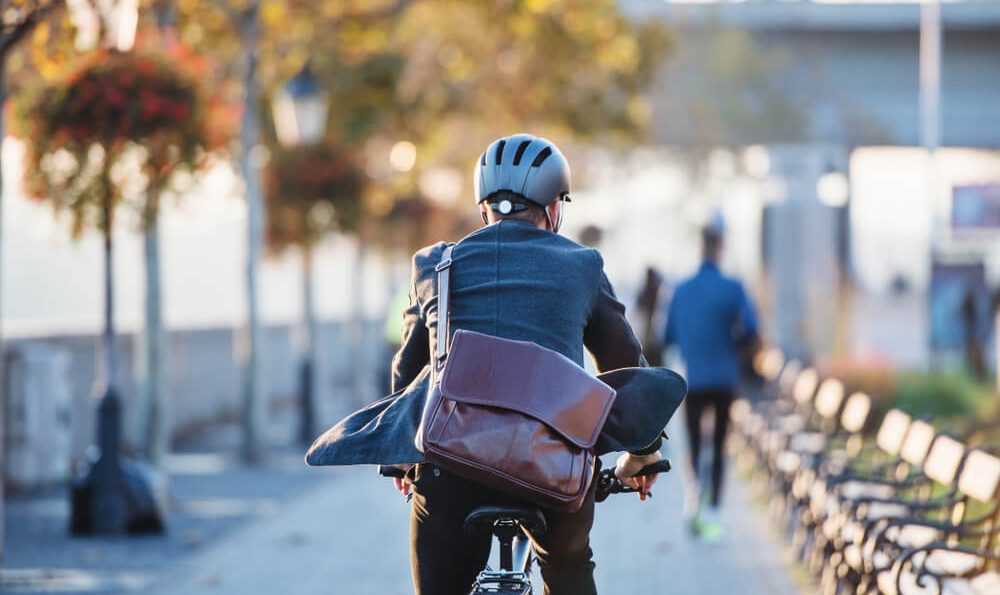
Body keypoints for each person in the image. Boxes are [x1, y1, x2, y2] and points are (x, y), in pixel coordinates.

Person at [390, 134, 663, 595]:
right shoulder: (582, 266)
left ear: (483, 210)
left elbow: (409, 374)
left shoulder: (437, 265)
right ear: (555, 209)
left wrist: (401, 461)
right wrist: (643, 453)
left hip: (450, 471)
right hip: (554, 469)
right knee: (568, 565)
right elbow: (625, 369)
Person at [663, 223, 758, 543]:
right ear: (721, 249)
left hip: (693, 379)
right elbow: (751, 330)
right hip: (724, 377)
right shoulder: (733, 287)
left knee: (691, 443)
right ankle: (715, 509)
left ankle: (693, 497)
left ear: (699, 248)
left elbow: (669, 335)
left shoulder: (681, 289)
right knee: (718, 445)